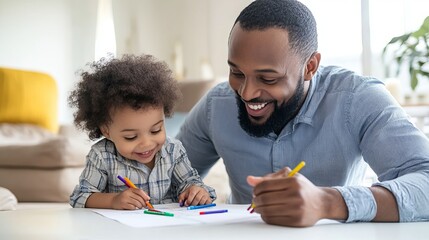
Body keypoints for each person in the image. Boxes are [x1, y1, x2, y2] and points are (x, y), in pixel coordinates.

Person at [176, 0, 429, 227]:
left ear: (310, 67)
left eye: (267, 78)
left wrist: (328, 202)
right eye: (237, 73)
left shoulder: (358, 98)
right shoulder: (216, 105)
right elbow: (165, 174)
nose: (246, 93)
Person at [69, 54, 216, 210]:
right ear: (106, 130)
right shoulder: (102, 155)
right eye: (131, 137)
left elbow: (190, 183)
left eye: (156, 130)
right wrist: (113, 201)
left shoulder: (173, 150)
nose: (147, 143)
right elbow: (80, 196)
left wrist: (196, 192)